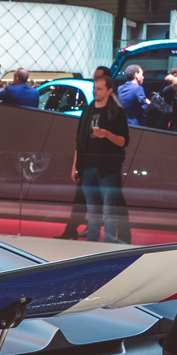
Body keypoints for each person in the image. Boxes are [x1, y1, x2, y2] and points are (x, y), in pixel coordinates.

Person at [72, 75, 130, 243]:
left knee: (108, 209)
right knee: (93, 210)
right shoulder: (87, 111)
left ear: (109, 91)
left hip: (108, 168)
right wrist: (75, 166)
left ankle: (109, 243)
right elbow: (79, 141)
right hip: (87, 166)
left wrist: (107, 135)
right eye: (94, 88)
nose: (95, 92)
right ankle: (92, 242)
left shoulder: (117, 113)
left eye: (99, 89)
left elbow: (123, 141)